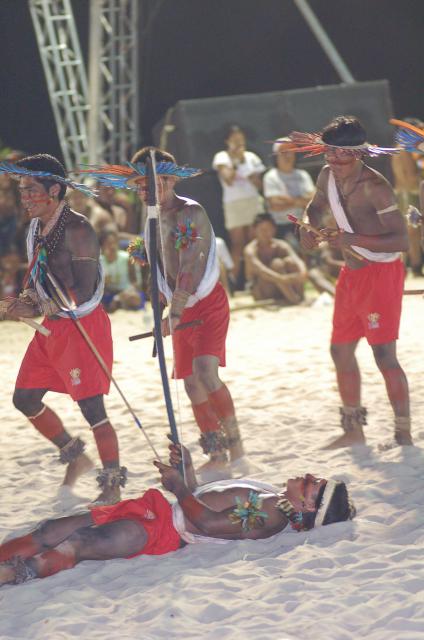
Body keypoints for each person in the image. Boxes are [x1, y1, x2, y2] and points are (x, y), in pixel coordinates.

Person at [83, 147, 246, 481]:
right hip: (178, 306)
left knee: (206, 372)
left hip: (206, 302)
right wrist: (160, 309)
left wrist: (176, 310)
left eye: (149, 184)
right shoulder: (151, 220)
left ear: (170, 180)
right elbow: (158, 271)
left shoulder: (191, 212)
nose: (142, 191)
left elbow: (190, 266)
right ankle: (216, 452)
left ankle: (235, 442)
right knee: (189, 384)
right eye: (139, 185)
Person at [0, 441, 356, 587]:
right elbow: (208, 500)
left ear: (309, 507)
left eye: (312, 483)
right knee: (52, 528)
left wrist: (180, 488)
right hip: (159, 509)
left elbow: (207, 523)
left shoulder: (270, 517)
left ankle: (14, 575)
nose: (306, 476)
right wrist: (186, 472)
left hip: (162, 532)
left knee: (77, 542)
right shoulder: (270, 494)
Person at [2, 154, 126, 504]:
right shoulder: (35, 229)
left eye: (30, 190)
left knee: (92, 408)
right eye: (22, 190)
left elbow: (84, 289)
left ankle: (112, 486)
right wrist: (23, 301)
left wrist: (39, 306)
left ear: (54, 189)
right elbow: (39, 280)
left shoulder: (77, 229)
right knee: (25, 398)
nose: (23, 198)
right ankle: (77, 457)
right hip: (52, 327)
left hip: (82, 326)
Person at [291, 116, 412, 448]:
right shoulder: (327, 175)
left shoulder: (376, 187)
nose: (332, 160)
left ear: (358, 154)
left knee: (384, 355)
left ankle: (403, 435)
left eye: (340, 154)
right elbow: (314, 208)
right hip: (352, 274)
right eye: (328, 153)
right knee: (340, 351)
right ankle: (353, 430)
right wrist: (306, 227)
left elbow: (401, 241)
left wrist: (351, 238)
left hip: (381, 275)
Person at [212, 125, 265, 288]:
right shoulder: (222, 157)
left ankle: (257, 281)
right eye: (234, 140)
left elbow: (259, 185)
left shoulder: (252, 157)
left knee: (254, 241)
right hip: (233, 203)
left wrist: (245, 164)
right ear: (227, 141)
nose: (238, 143)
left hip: (252, 201)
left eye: (240, 139)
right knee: (238, 244)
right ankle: (233, 284)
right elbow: (228, 179)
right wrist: (236, 162)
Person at [244, 213, 307, 303]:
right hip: (263, 291)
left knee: (290, 262)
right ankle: (294, 300)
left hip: (281, 287)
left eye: (269, 229)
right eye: (262, 230)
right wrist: (282, 279)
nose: (266, 233)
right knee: (276, 263)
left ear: (274, 229)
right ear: (254, 230)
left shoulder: (281, 245)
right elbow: (261, 270)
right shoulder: (250, 250)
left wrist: (302, 273)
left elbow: (297, 260)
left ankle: (300, 297)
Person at [263, 137, 315, 247]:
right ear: (276, 155)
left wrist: (287, 200)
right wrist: (301, 200)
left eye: (290, 152)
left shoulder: (303, 175)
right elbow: (275, 204)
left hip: (304, 223)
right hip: (281, 226)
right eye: (283, 152)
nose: (288, 155)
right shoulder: (270, 177)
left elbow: (313, 200)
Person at [391, 118, 424, 276]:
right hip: (410, 194)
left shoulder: (398, 149)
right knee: (414, 232)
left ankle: (410, 267)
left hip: (402, 194)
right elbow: (411, 178)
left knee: (410, 232)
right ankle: (415, 267)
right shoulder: (405, 151)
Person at [99, 228, 142, 312]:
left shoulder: (127, 258)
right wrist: (103, 283)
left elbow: (136, 283)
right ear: (102, 247)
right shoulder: (99, 262)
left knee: (135, 298)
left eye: (114, 243)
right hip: (108, 294)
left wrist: (120, 296)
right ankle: (116, 304)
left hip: (126, 293)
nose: (112, 246)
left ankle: (118, 302)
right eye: (108, 244)